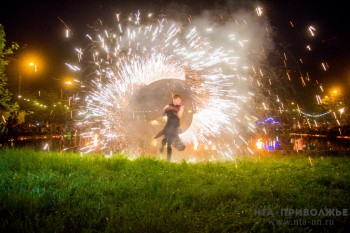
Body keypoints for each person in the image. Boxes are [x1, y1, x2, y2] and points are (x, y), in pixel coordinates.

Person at [155, 94, 186, 161]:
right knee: (166, 140)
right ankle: (162, 148)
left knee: (169, 143)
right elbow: (161, 114)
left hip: (174, 127)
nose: (180, 101)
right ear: (174, 99)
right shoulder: (168, 106)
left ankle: (168, 160)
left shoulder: (180, 107)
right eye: (179, 100)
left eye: (180, 100)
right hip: (168, 126)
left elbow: (179, 117)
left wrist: (180, 111)